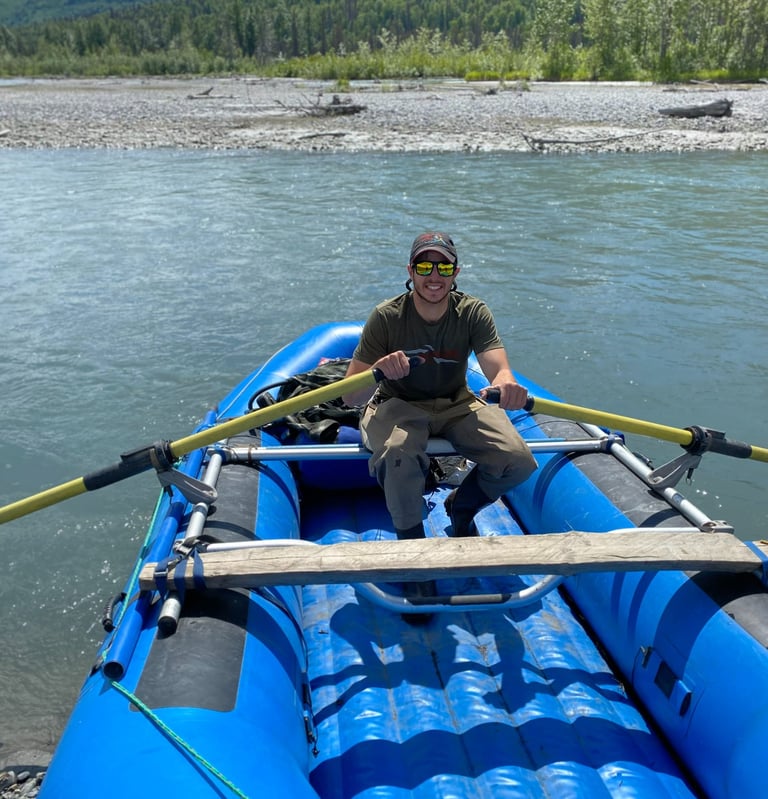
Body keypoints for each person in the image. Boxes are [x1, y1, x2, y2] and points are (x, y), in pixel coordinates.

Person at [342, 231, 537, 543]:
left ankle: (462, 506)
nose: (434, 276)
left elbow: (497, 367)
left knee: (518, 460)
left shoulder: (473, 312)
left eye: (444, 268)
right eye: (424, 267)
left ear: (455, 273)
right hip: (398, 403)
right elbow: (351, 396)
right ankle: (413, 544)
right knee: (397, 454)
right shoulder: (386, 317)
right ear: (410, 271)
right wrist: (379, 371)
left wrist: (506, 384)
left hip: (455, 402)